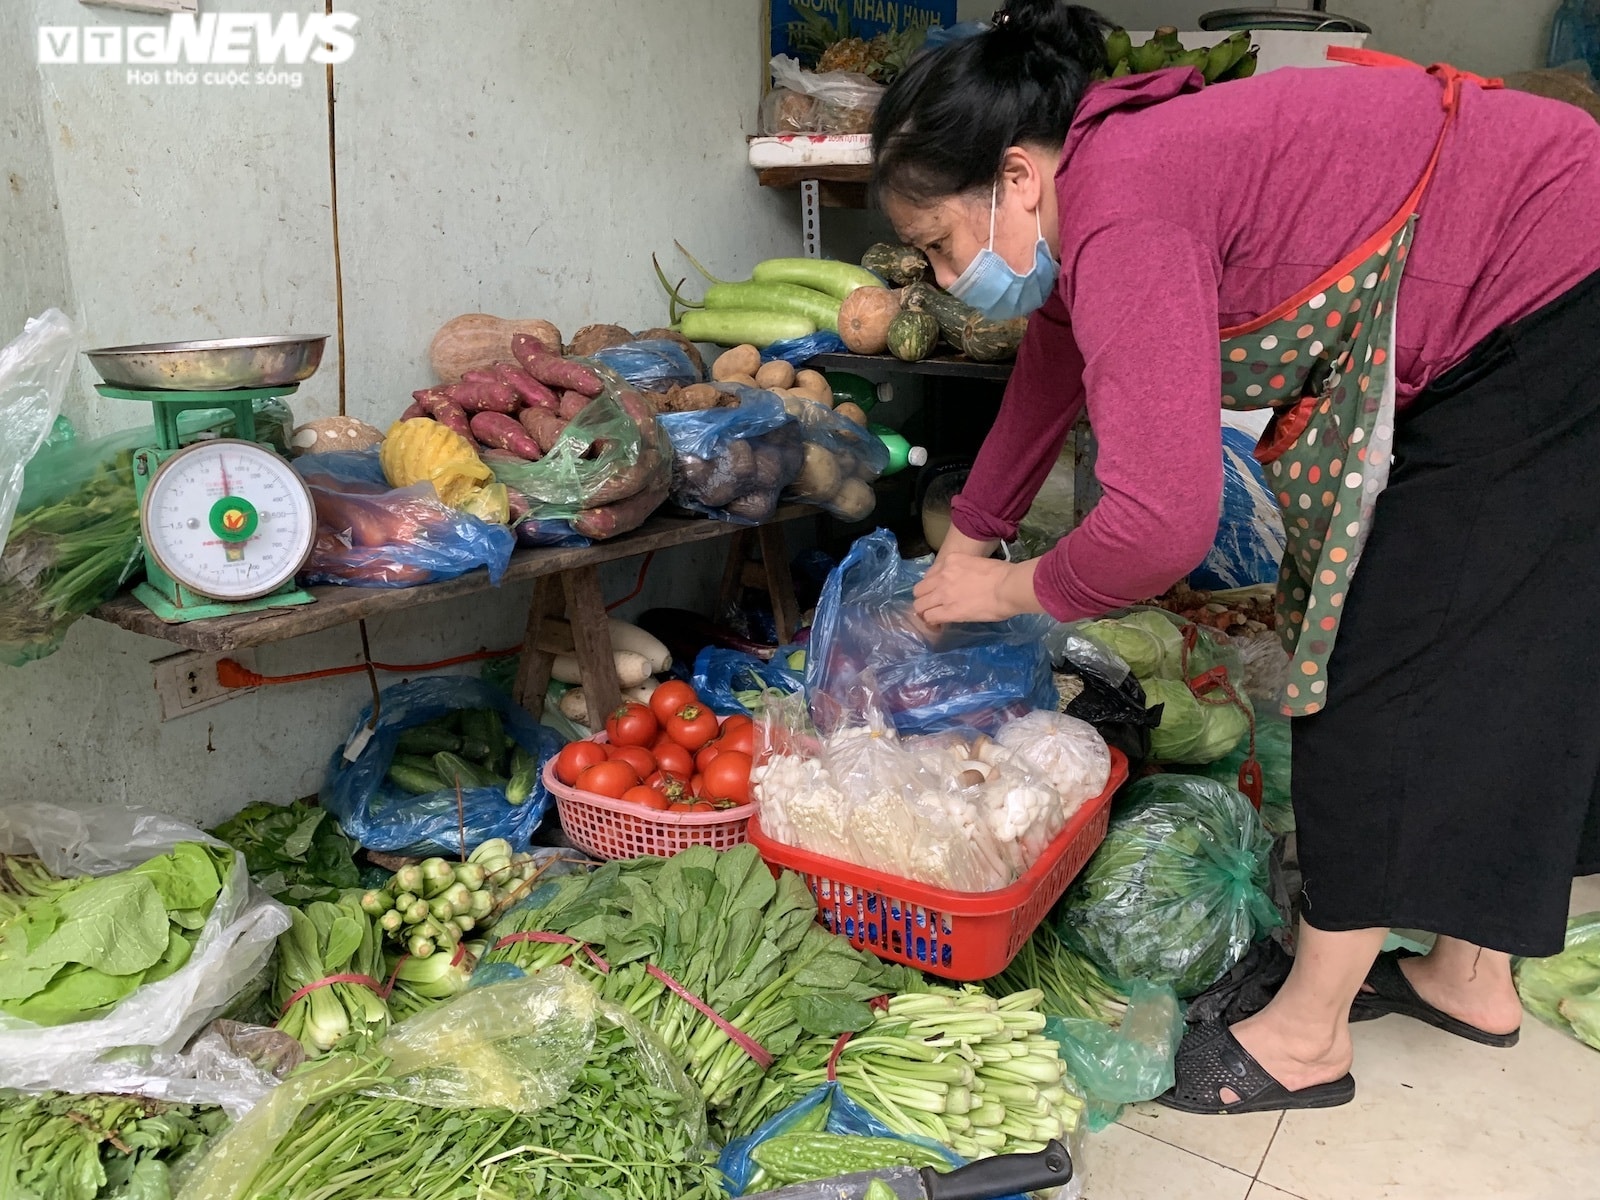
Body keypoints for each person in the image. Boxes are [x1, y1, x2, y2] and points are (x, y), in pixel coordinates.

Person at [872, 0, 1600, 1114]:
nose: (943, 272)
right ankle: (1469, 974)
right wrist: (960, 549)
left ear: (1015, 176)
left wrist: (1012, 590)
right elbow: (1042, 385)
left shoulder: (1124, 209)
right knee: (1500, 654)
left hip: (1554, 293)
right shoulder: (1104, 179)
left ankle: (1305, 1041)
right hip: (1553, 267)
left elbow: (1161, 524)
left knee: (1385, 670)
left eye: (937, 242)